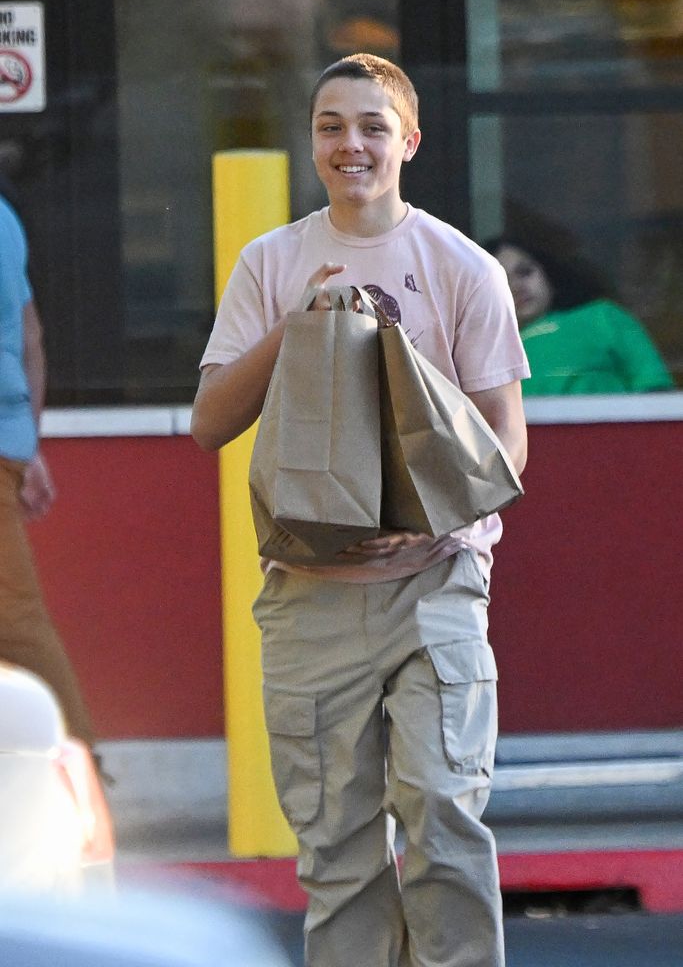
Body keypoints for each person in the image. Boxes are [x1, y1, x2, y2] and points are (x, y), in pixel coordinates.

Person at [192, 54, 529, 967]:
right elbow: (209, 422)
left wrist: (428, 521)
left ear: (407, 142)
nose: (352, 144)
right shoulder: (270, 262)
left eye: (373, 126)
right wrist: (297, 318)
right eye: (332, 126)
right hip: (310, 596)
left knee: (444, 816)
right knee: (337, 855)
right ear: (312, 144)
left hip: (437, 584)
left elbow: (506, 444)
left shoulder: (460, 267)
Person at [0, 177, 95, 750]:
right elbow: (31, 335)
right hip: (8, 443)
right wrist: (26, 444)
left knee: (16, 620)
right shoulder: (5, 218)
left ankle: (81, 770)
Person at [482, 237, 674, 396]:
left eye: (525, 272)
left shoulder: (602, 317)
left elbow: (655, 389)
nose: (517, 287)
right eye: (503, 281)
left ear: (547, 272)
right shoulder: (487, 350)